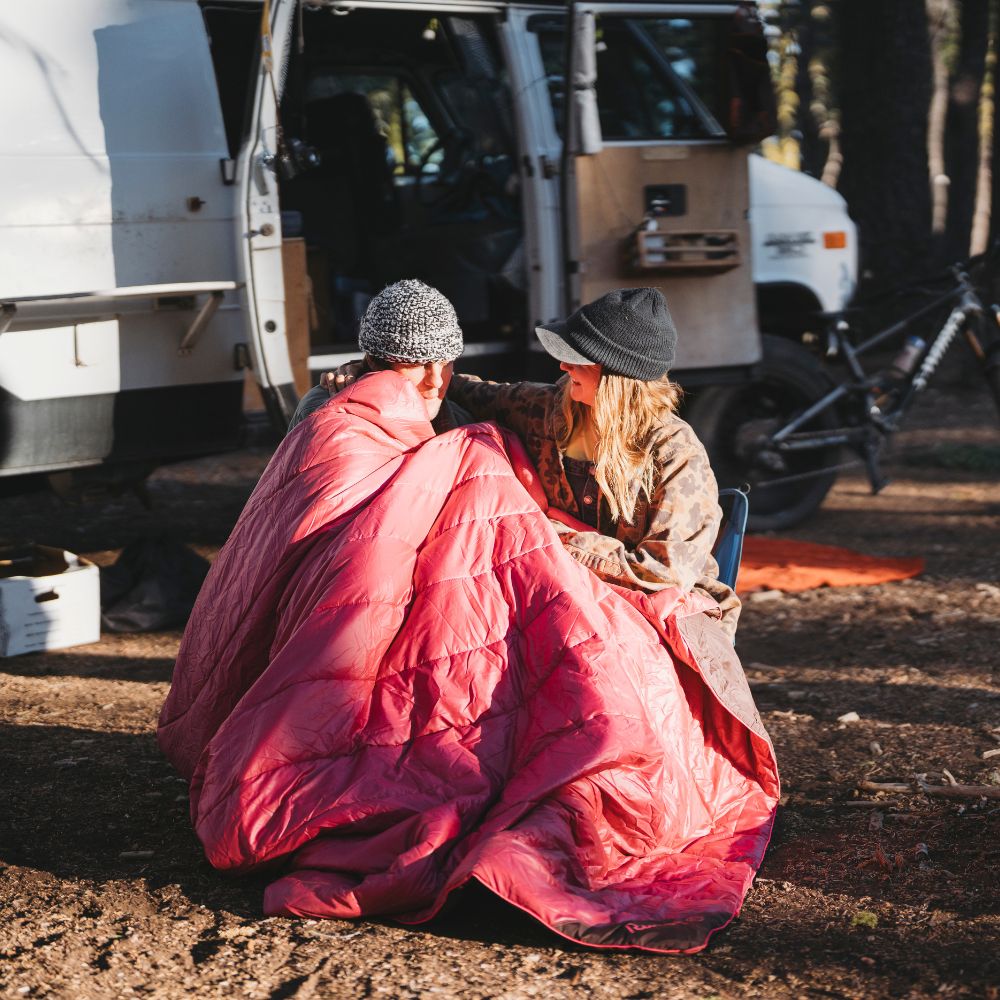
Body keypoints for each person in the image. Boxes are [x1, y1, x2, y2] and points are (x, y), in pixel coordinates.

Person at [327, 286, 740, 637]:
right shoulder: (547, 407)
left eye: (578, 359)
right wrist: (371, 373)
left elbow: (661, 576)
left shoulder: (674, 454)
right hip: (566, 594)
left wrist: (544, 529)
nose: (562, 365)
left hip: (663, 615)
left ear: (616, 377)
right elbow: (463, 391)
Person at [288, 279, 473, 433]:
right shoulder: (329, 418)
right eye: (419, 365)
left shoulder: (461, 421)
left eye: (446, 362)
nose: (436, 381)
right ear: (375, 362)